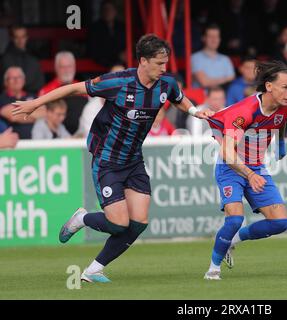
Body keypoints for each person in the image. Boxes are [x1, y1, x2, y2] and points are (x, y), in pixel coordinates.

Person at [12, 34, 213, 283]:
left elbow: (179, 99)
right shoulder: (119, 82)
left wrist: (194, 111)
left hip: (134, 159)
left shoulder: (166, 85)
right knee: (118, 224)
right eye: (159, 63)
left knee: (138, 222)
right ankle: (82, 218)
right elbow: (75, 88)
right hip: (106, 159)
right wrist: (35, 104)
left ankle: (94, 269)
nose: (164, 68)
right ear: (142, 61)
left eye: (166, 63)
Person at [204, 60, 287, 280]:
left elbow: (280, 121)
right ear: (269, 86)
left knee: (280, 222)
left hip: (257, 167)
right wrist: (251, 174)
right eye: (285, 87)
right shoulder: (245, 111)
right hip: (230, 167)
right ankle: (213, 271)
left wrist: (280, 145)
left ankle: (233, 241)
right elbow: (227, 152)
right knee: (234, 220)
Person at [39, 51, 87, 135]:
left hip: (81, 137)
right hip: (56, 137)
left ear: (74, 67)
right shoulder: (46, 90)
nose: (66, 70)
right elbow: (41, 116)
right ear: (56, 68)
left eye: (69, 66)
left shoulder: (83, 87)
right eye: (62, 67)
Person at [0, 66, 45, 139]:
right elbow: (13, 117)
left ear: (24, 80)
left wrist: (19, 113)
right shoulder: (2, 99)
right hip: (13, 143)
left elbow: (44, 113)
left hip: (37, 141)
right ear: (6, 82)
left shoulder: (33, 96)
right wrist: (33, 112)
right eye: (12, 78)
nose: (16, 80)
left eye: (19, 77)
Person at [1, 25, 45, 94]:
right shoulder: (6, 58)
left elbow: (39, 82)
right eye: (17, 37)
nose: (20, 40)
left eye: (23, 36)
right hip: (11, 97)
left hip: (32, 97)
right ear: (12, 38)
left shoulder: (33, 57)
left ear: (27, 37)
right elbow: (10, 83)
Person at [191, 24, 235, 89]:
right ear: (203, 38)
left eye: (216, 37)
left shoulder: (225, 59)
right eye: (210, 36)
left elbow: (232, 79)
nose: (214, 40)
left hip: (221, 98)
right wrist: (226, 78)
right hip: (202, 98)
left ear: (220, 39)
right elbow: (204, 82)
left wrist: (211, 80)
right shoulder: (195, 58)